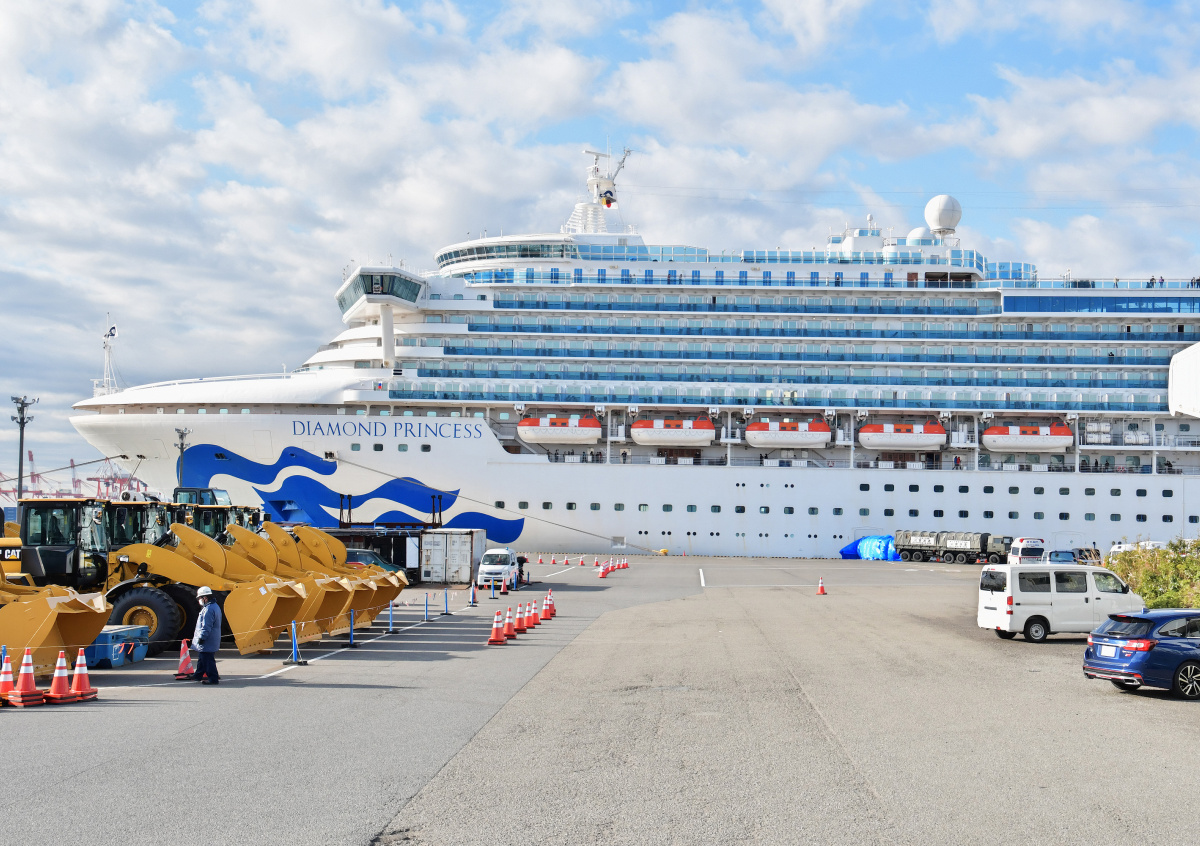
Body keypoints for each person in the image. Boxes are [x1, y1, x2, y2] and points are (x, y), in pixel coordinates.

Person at [192, 586, 222, 685]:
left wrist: (202, 638)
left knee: (208, 660)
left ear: (205, 598)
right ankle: (198, 675)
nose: (199, 600)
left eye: (200, 598)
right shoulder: (215, 606)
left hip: (208, 639)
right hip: (212, 638)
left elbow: (206, 626)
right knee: (202, 658)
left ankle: (213, 679)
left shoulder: (208, 609)